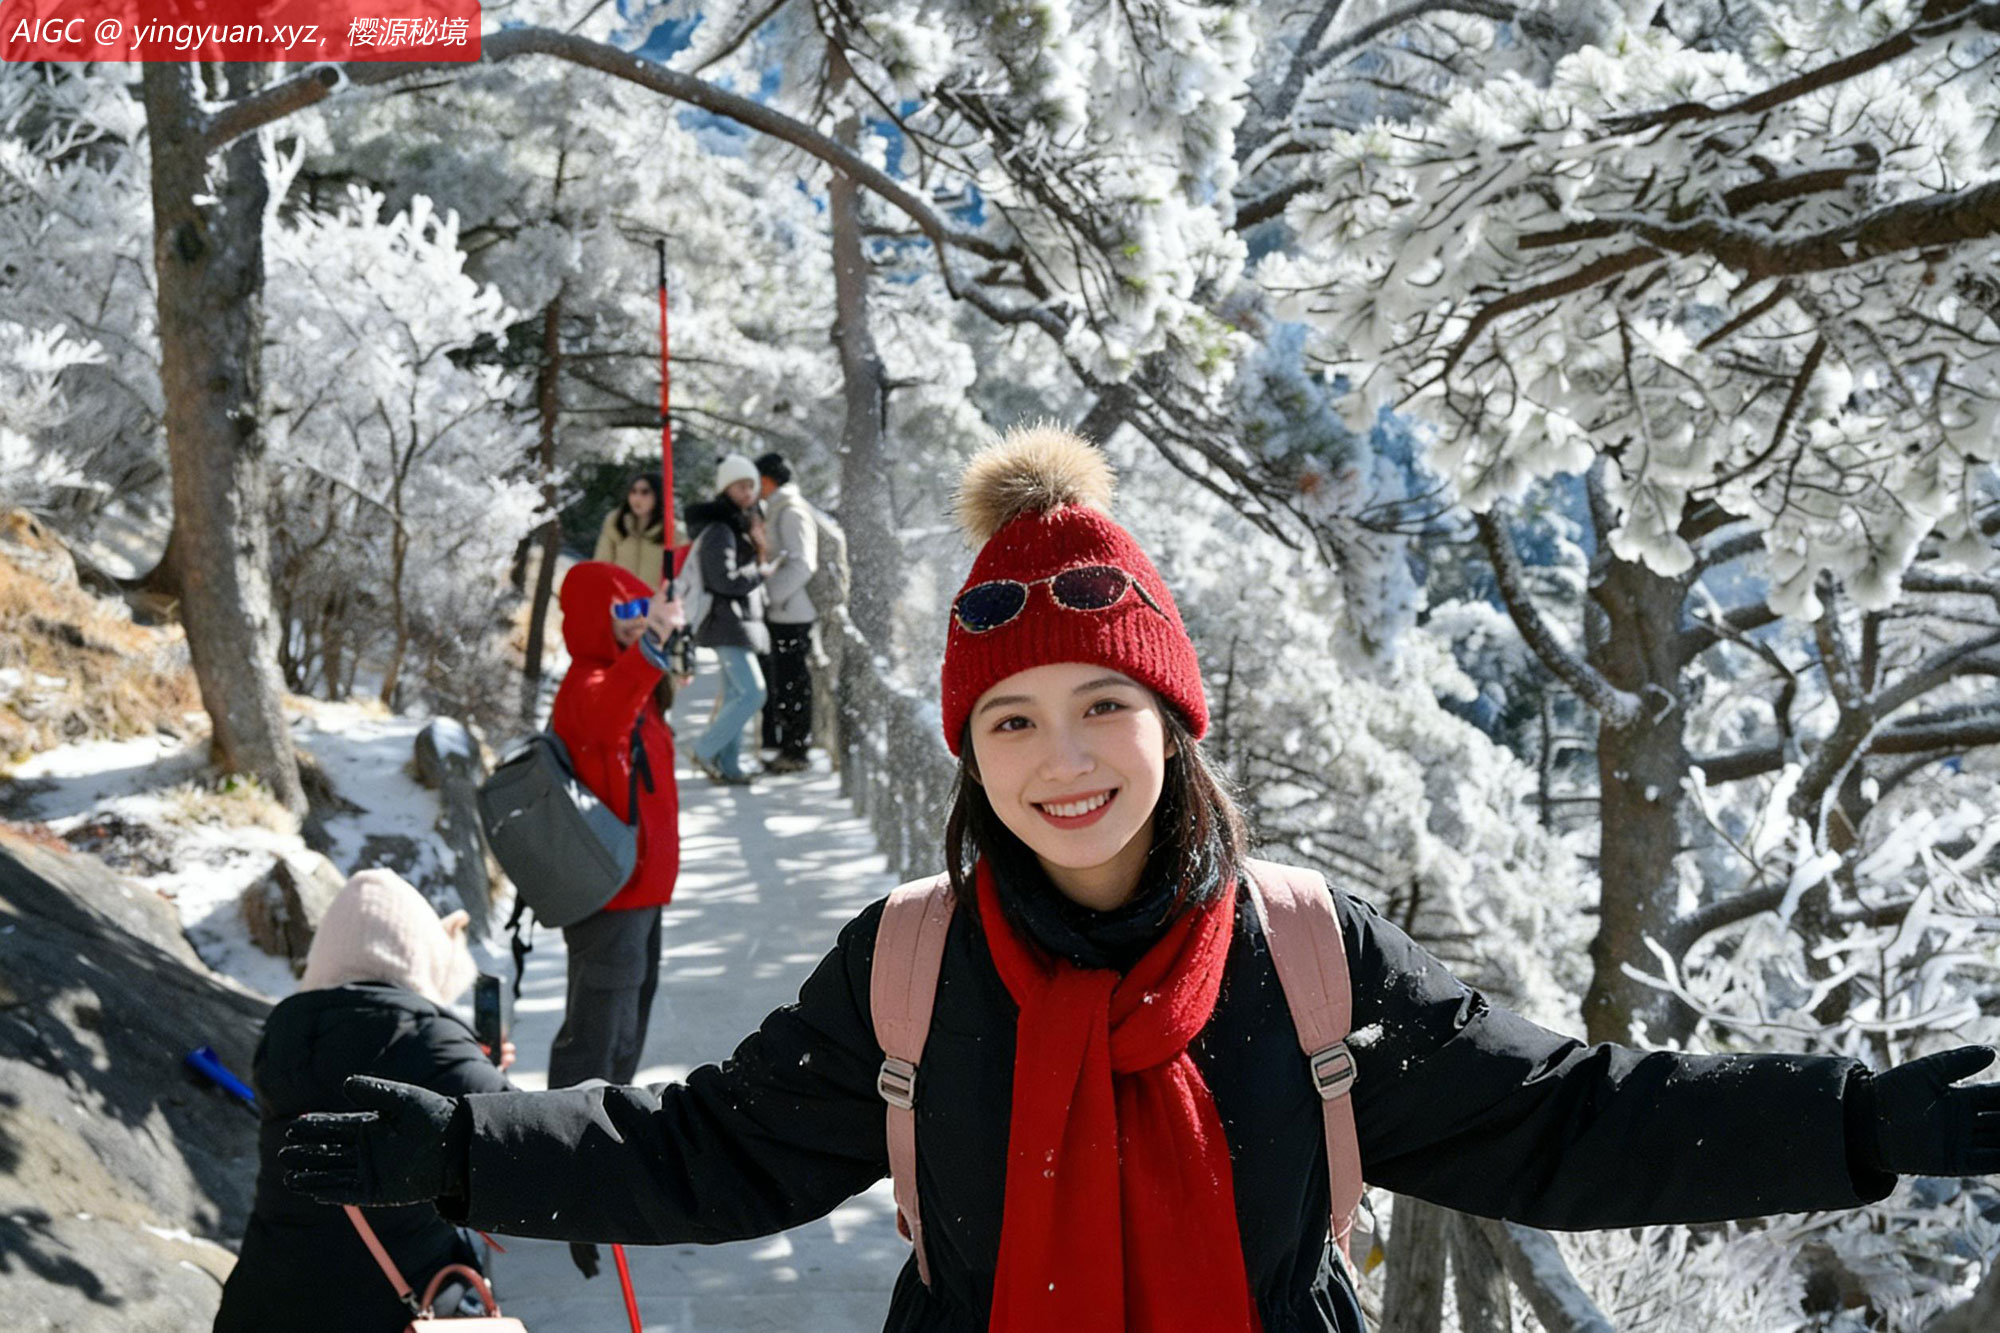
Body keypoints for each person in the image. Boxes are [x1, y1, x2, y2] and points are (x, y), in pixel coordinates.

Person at [284, 426, 2000, 1333]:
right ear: (967, 751)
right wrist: (457, 1144)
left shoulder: (1309, 960)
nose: (1062, 757)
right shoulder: (911, 966)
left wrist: (1861, 1120)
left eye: (1107, 701)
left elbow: (1572, 1121)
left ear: (1179, 717)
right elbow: (708, 1151)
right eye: (1012, 720)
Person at [213, 870, 513, 1333]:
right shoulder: (436, 1042)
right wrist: (482, 1067)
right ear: (414, 951)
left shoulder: (284, 1036)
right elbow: (513, 1142)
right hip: (397, 1308)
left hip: (267, 1300)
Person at [544, 560, 683, 1092]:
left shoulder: (632, 682)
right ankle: (568, 1144)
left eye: (639, 608)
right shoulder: (587, 683)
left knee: (625, 1029)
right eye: (620, 611)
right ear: (588, 618)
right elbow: (606, 717)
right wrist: (652, 641)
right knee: (597, 1035)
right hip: (611, 889)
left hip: (640, 886)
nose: (633, 621)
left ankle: (606, 1134)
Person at [684, 453, 776, 785]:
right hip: (727, 623)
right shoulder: (721, 528)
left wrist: (759, 550)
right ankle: (704, 749)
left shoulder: (740, 524)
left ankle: (730, 766)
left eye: (751, 485)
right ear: (725, 488)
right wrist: (759, 572)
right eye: (740, 485)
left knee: (737, 696)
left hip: (737, 623)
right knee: (754, 693)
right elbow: (723, 579)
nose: (748, 491)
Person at [754, 451, 819, 774]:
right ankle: (787, 747)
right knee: (783, 683)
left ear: (766, 480)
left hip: (792, 613)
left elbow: (804, 563)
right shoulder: (779, 508)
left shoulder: (791, 511)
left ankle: (796, 751)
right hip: (784, 611)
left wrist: (770, 596)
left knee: (793, 684)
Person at [593, 470, 668, 587]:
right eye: (633, 492)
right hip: (618, 597)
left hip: (652, 601)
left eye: (645, 492)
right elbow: (602, 562)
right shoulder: (616, 521)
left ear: (658, 495)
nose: (637, 498)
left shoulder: (671, 530)